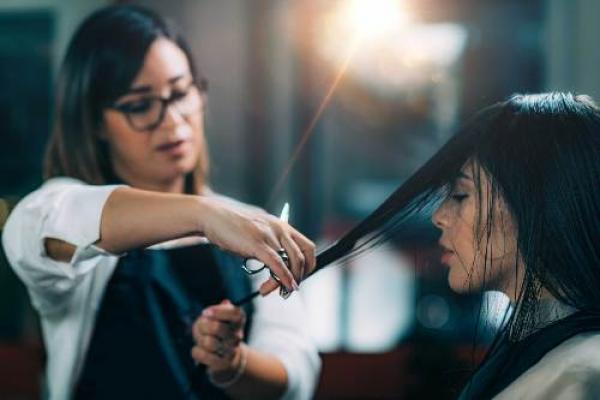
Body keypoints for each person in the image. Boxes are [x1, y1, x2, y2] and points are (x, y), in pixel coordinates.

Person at [2, 5, 320, 400]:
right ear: (96, 122)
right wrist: (203, 215)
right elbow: (32, 229)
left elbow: (295, 376)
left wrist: (233, 363)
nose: (172, 121)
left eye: (181, 92)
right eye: (140, 105)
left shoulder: (251, 226)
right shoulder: (65, 209)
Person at [315, 92, 600, 398]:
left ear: (535, 203)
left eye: (462, 195)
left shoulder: (581, 375)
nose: (439, 217)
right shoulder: (547, 356)